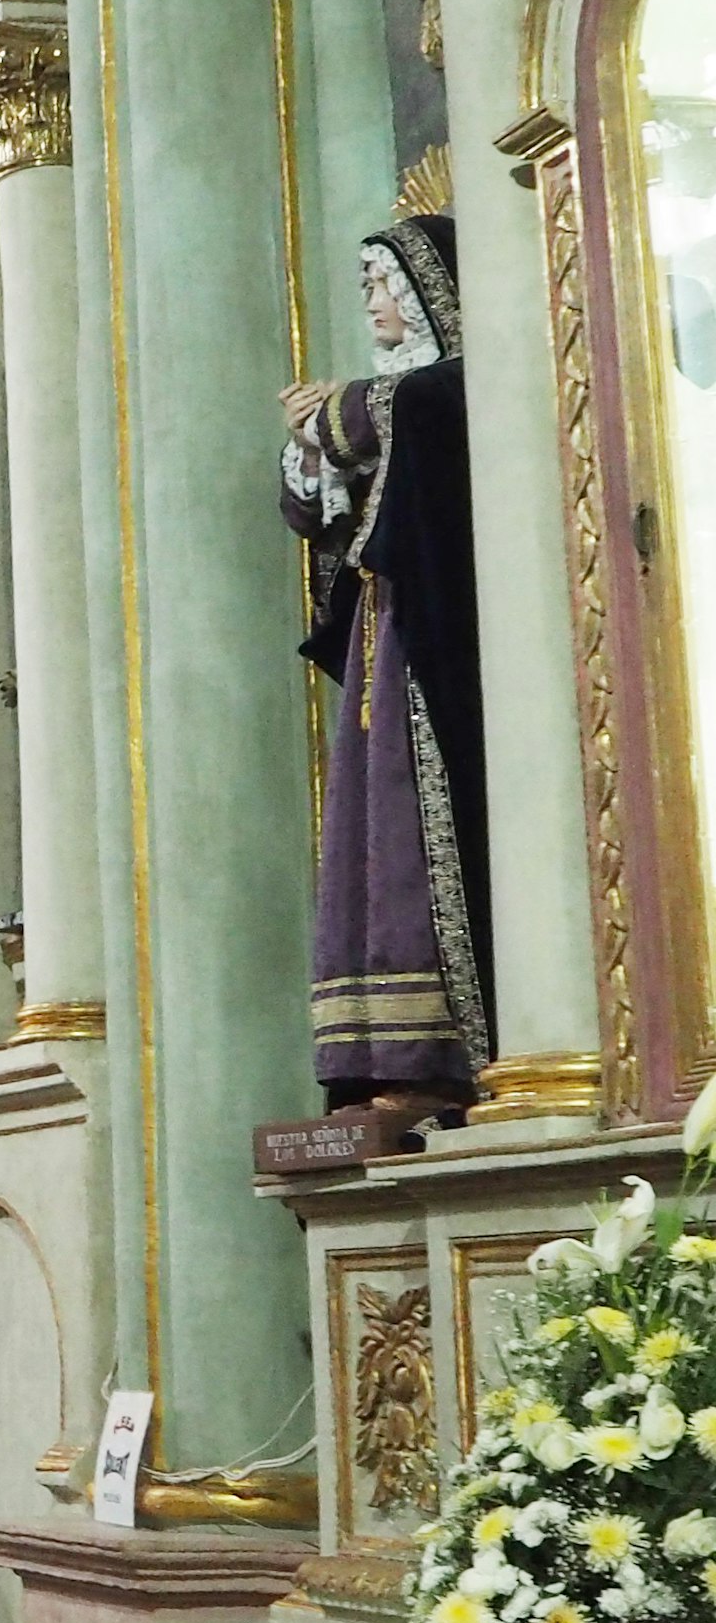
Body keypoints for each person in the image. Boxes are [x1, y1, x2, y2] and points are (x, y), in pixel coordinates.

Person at [280, 212, 489, 1119]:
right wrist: (314, 440)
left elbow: (397, 411)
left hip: (432, 639)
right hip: (384, 639)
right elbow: (305, 505)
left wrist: (330, 416)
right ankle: (384, 1054)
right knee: (373, 832)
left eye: (380, 284)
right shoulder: (402, 399)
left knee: (416, 824)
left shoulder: (449, 389)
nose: (371, 302)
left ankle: (437, 1053)